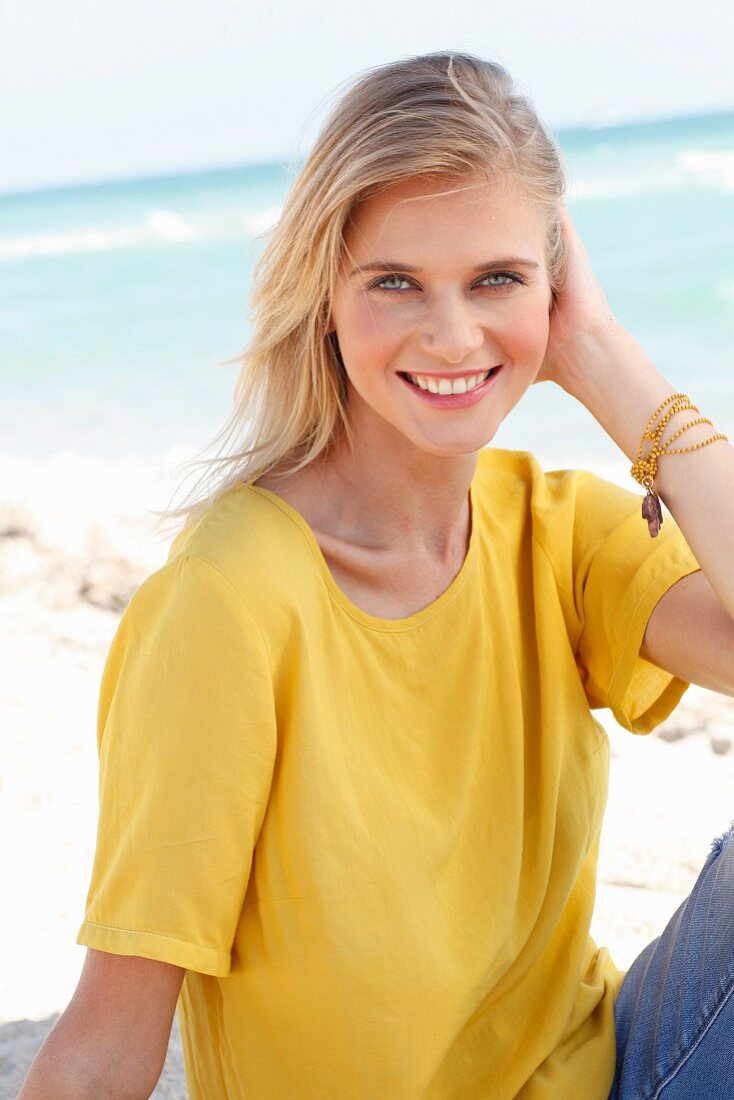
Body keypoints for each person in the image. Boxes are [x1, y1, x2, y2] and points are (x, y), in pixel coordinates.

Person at [20, 51, 734, 1100]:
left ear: (551, 287)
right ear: (323, 294)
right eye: (394, 281)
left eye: (496, 278)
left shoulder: (555, 528)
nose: (451, 334)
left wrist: (599, 354)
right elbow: (111, 1025)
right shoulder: (230, 601)